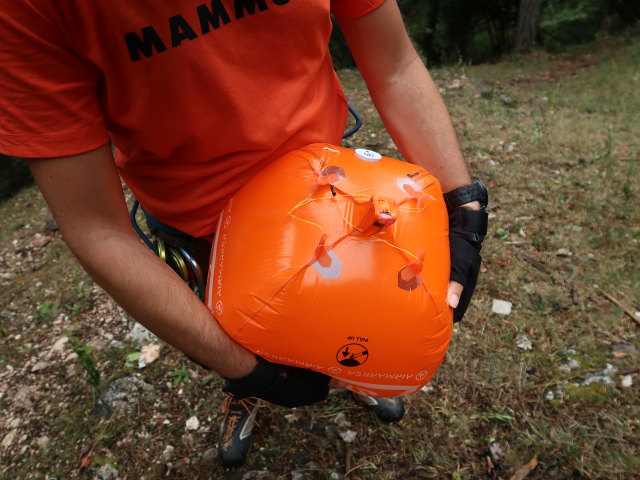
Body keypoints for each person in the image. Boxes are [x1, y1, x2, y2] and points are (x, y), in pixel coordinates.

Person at [0, 0, 487, 468]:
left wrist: (462, 200)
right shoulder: (26, 9)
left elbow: (396, 65)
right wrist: (242, 368)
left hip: (332, 193)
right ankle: (244, 395)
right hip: (202, 229)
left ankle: (354, 375)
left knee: (351, 314)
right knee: (237, 330)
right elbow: (97, 228)